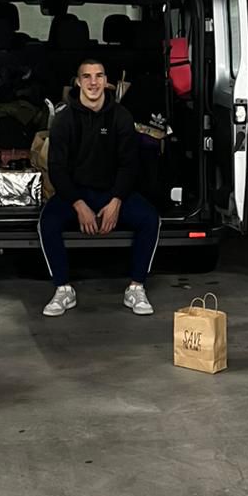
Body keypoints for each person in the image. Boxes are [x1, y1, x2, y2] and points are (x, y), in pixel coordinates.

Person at [39, 55, 160, 317]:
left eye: (99, 76)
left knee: (150, 218)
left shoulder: (121, 117)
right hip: (76, 194)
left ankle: (136, 287)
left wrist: (116, 201)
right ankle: (63, 289)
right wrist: (78, 204)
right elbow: (57, 169)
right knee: (48, 222)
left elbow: (129, 165)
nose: (93, 82)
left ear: (106, 82)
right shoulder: (64, 120)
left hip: (112, 192)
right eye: (87, 76)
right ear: (78, 82)